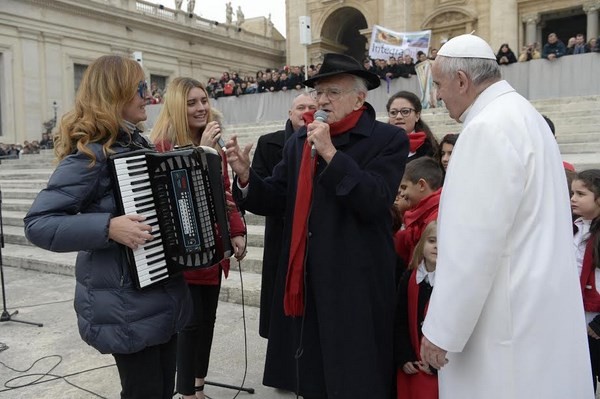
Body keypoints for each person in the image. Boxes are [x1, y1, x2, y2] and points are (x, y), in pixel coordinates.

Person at [420, 33, 594, 398]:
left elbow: (473, 245)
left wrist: (441, 330)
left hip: (503, 320)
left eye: (438, 84)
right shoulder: (523, 114)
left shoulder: (485, 129)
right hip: (536, 305)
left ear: (462, 80)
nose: (437, 96)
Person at [225, 52, 409, 398]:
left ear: (360, 97)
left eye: (333, 92)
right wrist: (247, 175)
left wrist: (331, 155)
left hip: (356, 283)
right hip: (307, 280)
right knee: (313, 377)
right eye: (319, 92)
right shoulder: (299, 140)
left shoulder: (387, 140)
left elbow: (375, 200)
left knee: (356, 376)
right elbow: (279, 196)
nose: (322, 100)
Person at [23, 55, 192, 399]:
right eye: (141, 88)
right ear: (116, 93)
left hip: (158, 294)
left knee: (161, 391)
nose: (149, 95)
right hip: (124, 305)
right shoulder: (91, 155)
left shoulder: (136, 144)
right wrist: (108, 227)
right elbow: (39, 223)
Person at [149, 77, 247, 399]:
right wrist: (200, 150)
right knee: (188, 325)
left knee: (208, 321)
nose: (201, 107)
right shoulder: (162, 144)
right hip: (184, 251)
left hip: (213, 249)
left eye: (203, 100)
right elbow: (183, 193)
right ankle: (187, 394)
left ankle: (198, 388)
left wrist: (236, 230)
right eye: (192, 102)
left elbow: (224, 191)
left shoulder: (212, 139)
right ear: (178, 106)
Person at [250, 92, 318, 339]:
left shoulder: (327, 142)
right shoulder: (269, 142)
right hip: (282, 234)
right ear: (290, 113)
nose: (306, 111)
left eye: (312, 106)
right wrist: (245, 177)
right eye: (301, 106)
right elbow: (263, 190)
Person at [394, 221, 439, 399]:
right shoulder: (409, 278)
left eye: (443, 243)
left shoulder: (450, 284)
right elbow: (400, 319)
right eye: (432, 241)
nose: (436, 247)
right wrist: (404, 356)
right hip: (411, 361)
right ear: (422, 244)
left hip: (437, 368)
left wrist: (435, 365)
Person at [572, 170, 600, 390]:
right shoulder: (574, 228)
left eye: (581, 194)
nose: (573, 199)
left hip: (595, 321)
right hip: (576, 321)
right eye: (573, 193)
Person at [394, 156, 442, 267]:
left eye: (404, 187)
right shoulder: (418, 215)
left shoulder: (435, 218)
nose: (401, 194)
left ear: (421, 185)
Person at [386, 90, 438, 162]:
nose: (398, 116)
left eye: (405, 111)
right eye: (393, 112)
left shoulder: (430, 148)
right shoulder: (378, 145)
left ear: (417, 116)